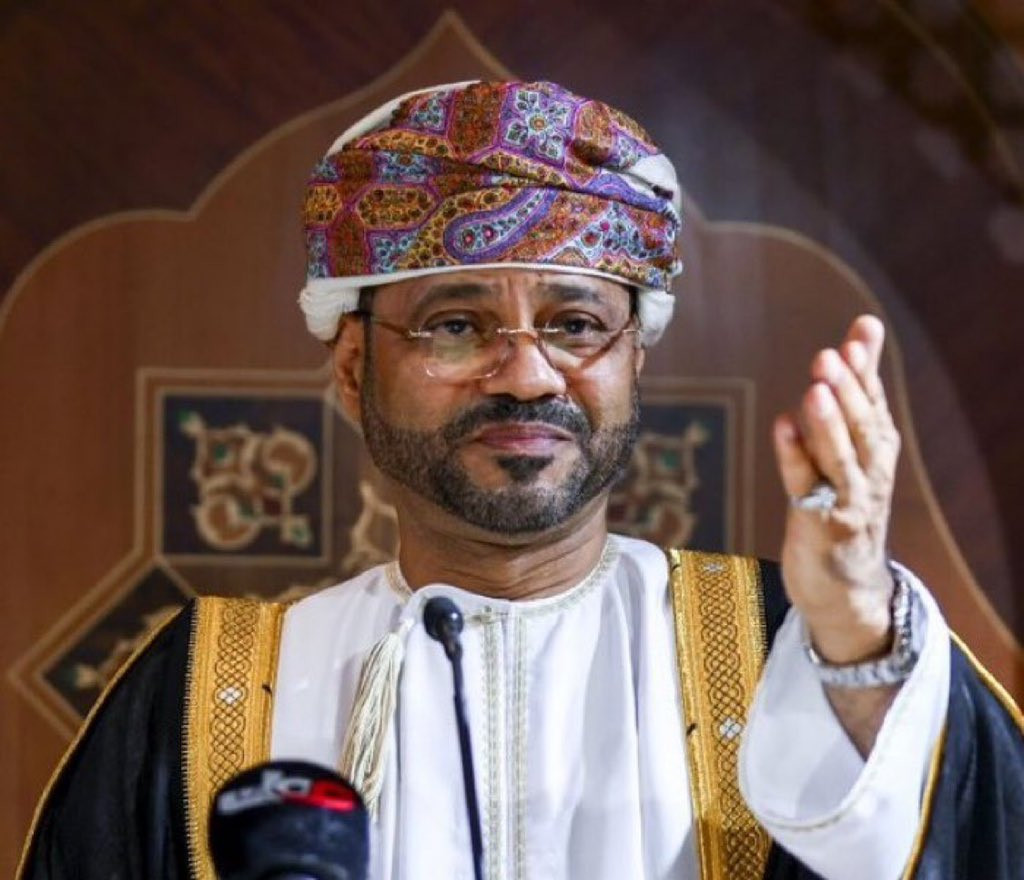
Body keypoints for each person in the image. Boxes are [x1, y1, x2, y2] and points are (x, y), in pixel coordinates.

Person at [18, 80, 1024, 880]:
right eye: (456, 325)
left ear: (636, 360)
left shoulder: (797, 649)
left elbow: (963, 840)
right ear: (355, 368)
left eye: (576, 324)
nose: (527, 375)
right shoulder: (201, 694)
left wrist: (855, 639)